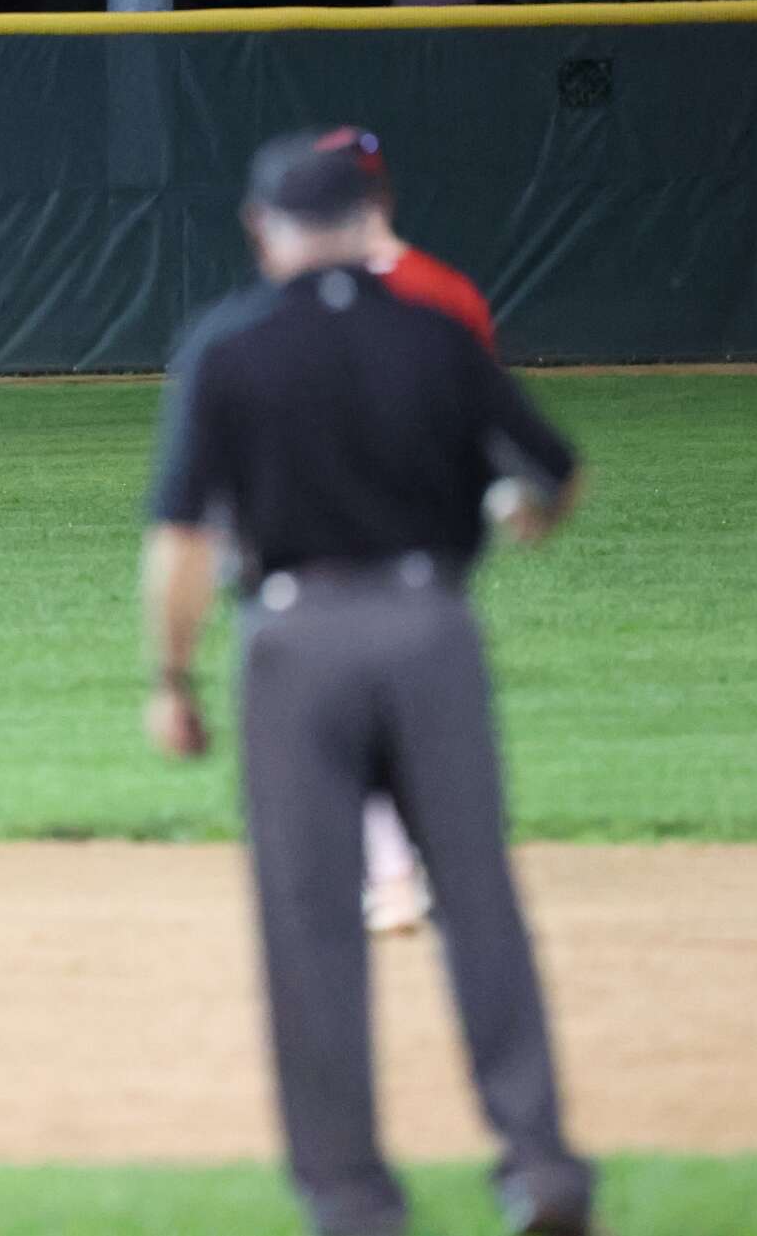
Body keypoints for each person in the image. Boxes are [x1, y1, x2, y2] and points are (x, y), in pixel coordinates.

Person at [141, 129, 598, 1236]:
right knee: (478, 900)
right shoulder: (436, 331)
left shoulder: (228, 344)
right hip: (430, 628)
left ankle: (349, 1197)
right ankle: (538, 1164)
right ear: (367, 218)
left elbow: (182, 540)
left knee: (310, 924)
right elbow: (553, 474)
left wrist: (170, 675)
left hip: (293, 640)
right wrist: (520, 514)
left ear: (263, 228)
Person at [314, 126, 498, 936]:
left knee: (345, 711)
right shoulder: (448, 290)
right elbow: (485, 423)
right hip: (434, 536)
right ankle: (422, 867)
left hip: (334, 533)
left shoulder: (299, 296)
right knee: (415, 706)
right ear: (382, 190)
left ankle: (391, 872)